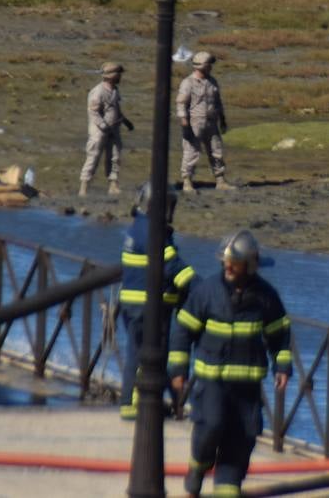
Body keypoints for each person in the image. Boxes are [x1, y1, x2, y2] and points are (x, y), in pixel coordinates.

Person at [169, 230, 292, 497]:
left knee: (243, 439)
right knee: (210, 425)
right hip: (212, 382)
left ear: (249, 265)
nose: (228, 268)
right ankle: (197, 469)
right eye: (225, 263)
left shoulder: (266, 297)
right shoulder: (206, 292)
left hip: (247, 389)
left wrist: (282, 367)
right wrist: (178, 369)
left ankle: (227, 488)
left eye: (234, 264)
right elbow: (182, 332)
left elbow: (279, 334)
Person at [116, 181, 196, 420]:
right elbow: (173, 268)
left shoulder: (137, 227)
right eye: (170, 205)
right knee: (144, 355)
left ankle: (142, 401)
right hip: (147, 307)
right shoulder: (153, 232)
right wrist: (206, 290)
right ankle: (134, 405)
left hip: (134, 304)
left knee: (138, 353)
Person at [176, 51, 232, 193]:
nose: (211, 67)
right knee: (191, 152)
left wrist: (222, 119)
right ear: (202, 65)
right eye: (209, 64)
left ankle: (220, 180)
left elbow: (218, 102)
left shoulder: (212, 81)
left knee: (216, 151)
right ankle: (187, 182)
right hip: (195, 122)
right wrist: (184, 123)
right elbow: (181, 103)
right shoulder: (188, 83)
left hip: (211, 122)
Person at [79, 61, 134, 197]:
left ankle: (113, 185)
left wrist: (125, 121)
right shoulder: (98, 92)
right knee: (93, 157)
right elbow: (93, 112)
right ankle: (84, 187)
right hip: (99, 131)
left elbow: (116, 108)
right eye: (118, 74)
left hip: (114, 128)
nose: (120, 77)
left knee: (115, 157)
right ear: (111, 76)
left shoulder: (114, 90)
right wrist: (104, 126)